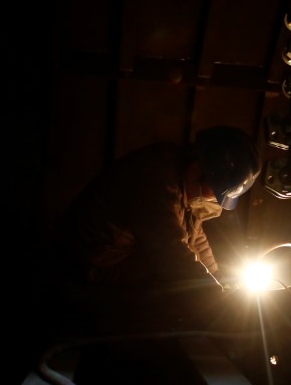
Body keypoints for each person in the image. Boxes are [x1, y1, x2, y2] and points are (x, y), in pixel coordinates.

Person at [48, 125, 261, 332]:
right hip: (85, 268)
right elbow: (170, 253)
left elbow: (194, 237)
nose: (215, 200)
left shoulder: (181, 178)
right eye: (215, 192)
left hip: (110, 262)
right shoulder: (156, 181)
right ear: (199, 168)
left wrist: (218, 279)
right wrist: (220, 302)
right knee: (169, 295)